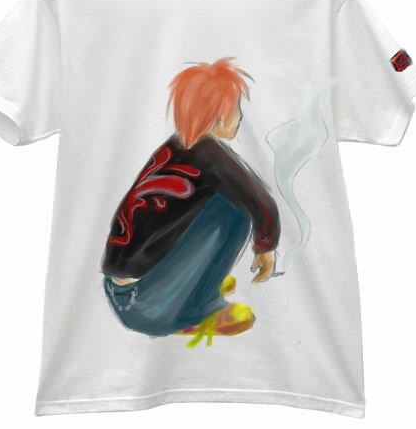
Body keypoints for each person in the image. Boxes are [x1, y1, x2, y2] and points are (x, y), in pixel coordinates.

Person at [100, 57, 281, 347]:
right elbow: (261, 201)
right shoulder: (210, 155)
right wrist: (266, 248)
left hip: (119, 295)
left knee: (221, 203)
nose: (239, 117)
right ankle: (199, 307)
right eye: (236, 109)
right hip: (149, 309)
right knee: (235, 213)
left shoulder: (175, 145)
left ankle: (195, 287)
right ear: (219, 116)